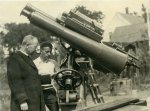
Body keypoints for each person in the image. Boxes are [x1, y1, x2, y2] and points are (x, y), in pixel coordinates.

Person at [7, 35, 46, 111]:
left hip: (33, 101)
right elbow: (15, 81)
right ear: (27, 45)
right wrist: (22, 100)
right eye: (35, 47)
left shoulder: (27, 58)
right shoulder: (15, 59)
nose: (36, 49)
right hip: (26, 104)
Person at [34, 41, 59, 111]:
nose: (49, 54)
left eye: (50, 52)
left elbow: (59, 75)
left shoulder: (53, 63)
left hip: (50, 92)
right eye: (47, 52)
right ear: (41, 51)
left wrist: (57, 75)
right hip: (38, 92)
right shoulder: (34, 63)